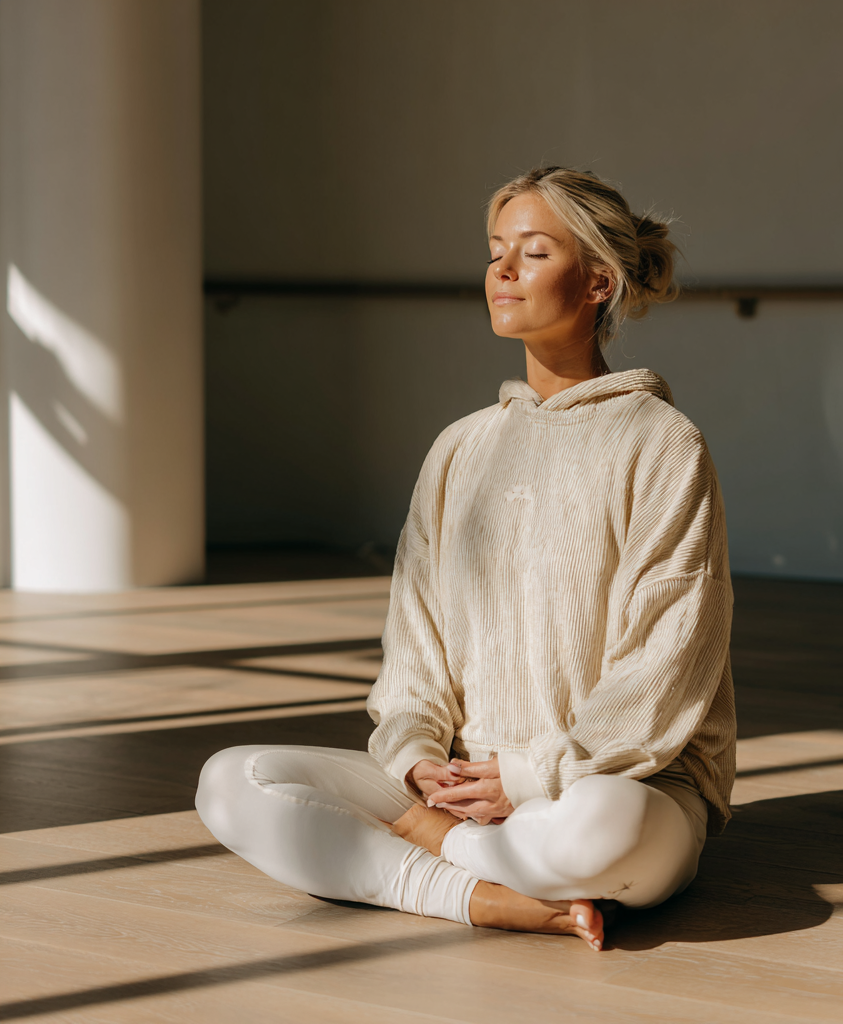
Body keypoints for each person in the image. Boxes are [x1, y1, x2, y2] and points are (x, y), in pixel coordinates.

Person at [195, 167, 736, 952]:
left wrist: (523, 782)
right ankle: (489, 898)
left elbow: (668, 658)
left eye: (534, 252)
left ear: (599, 282)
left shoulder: (662, 442)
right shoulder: (458, 448)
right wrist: (417, 761)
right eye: (494, 251)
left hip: (618, 784)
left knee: (602, 830)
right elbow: (414, 650)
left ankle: (435, 859)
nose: (503, 270)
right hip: (461, 785)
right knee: (230, 782)